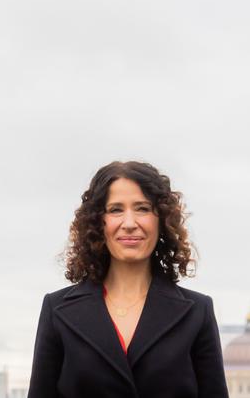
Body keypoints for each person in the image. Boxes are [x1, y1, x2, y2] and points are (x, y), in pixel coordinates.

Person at [28, 161, 228, 398]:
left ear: (161, 220)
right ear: (98, 222)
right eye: (115, 210)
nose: (130, 223)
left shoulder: (197, 312)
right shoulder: (57, 309)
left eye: (142, 208)